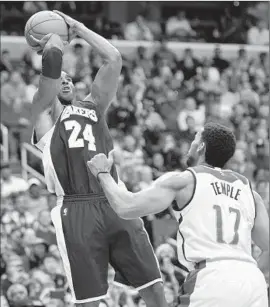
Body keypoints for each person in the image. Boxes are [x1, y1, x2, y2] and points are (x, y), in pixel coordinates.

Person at [30, 10, 167, 307]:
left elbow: (114, 58)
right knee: (90, 300)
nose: (65, 82)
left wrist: (78, 28)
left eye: (70, 79)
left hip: (115, 199)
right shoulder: (44, 113)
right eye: (60, 80)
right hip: (77, 206)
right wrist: (53, 45)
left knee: (154, 287)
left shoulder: (93, 107)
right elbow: (51, 72)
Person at [88, 122, 269, 307]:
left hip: (212, 279)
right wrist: (243, 276)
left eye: (194, 139)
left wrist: (103, 173)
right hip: (252, 281)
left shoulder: (184, 180)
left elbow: (125, 206)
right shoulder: (250, 193)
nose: (190, 145)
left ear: (201, 147)